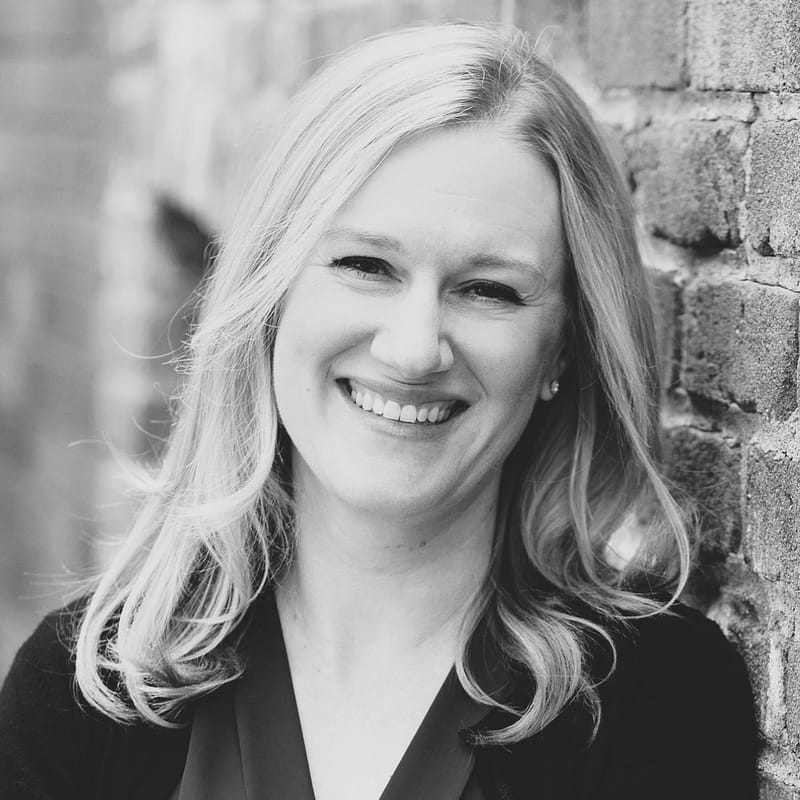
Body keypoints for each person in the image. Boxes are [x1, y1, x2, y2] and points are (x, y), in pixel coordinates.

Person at [0, 21, 757, 800]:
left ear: (561, 351)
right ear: (272, 296)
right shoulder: (88, 691)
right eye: (367, 265)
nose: (413, 348)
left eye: (488, 289)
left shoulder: (655, 702)